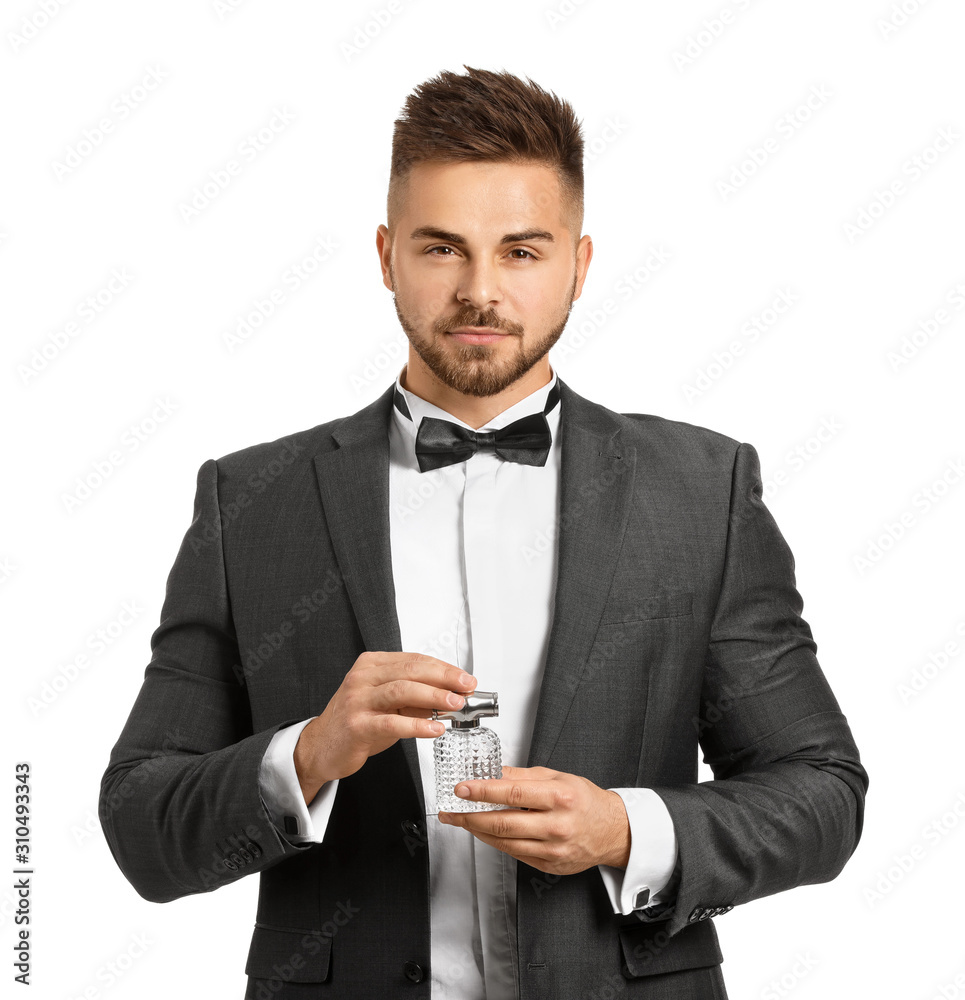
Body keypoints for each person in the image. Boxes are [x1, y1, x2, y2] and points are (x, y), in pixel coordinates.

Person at [98, 65, 869, 1000]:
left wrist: (629, 832)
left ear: (578, 265)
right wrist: (307, 755)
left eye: (521, 251)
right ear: (386, 257)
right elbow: (141, 822)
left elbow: (820, 792)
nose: (479, 290)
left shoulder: (699, 493)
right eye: (440, 249)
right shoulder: (252, 501)